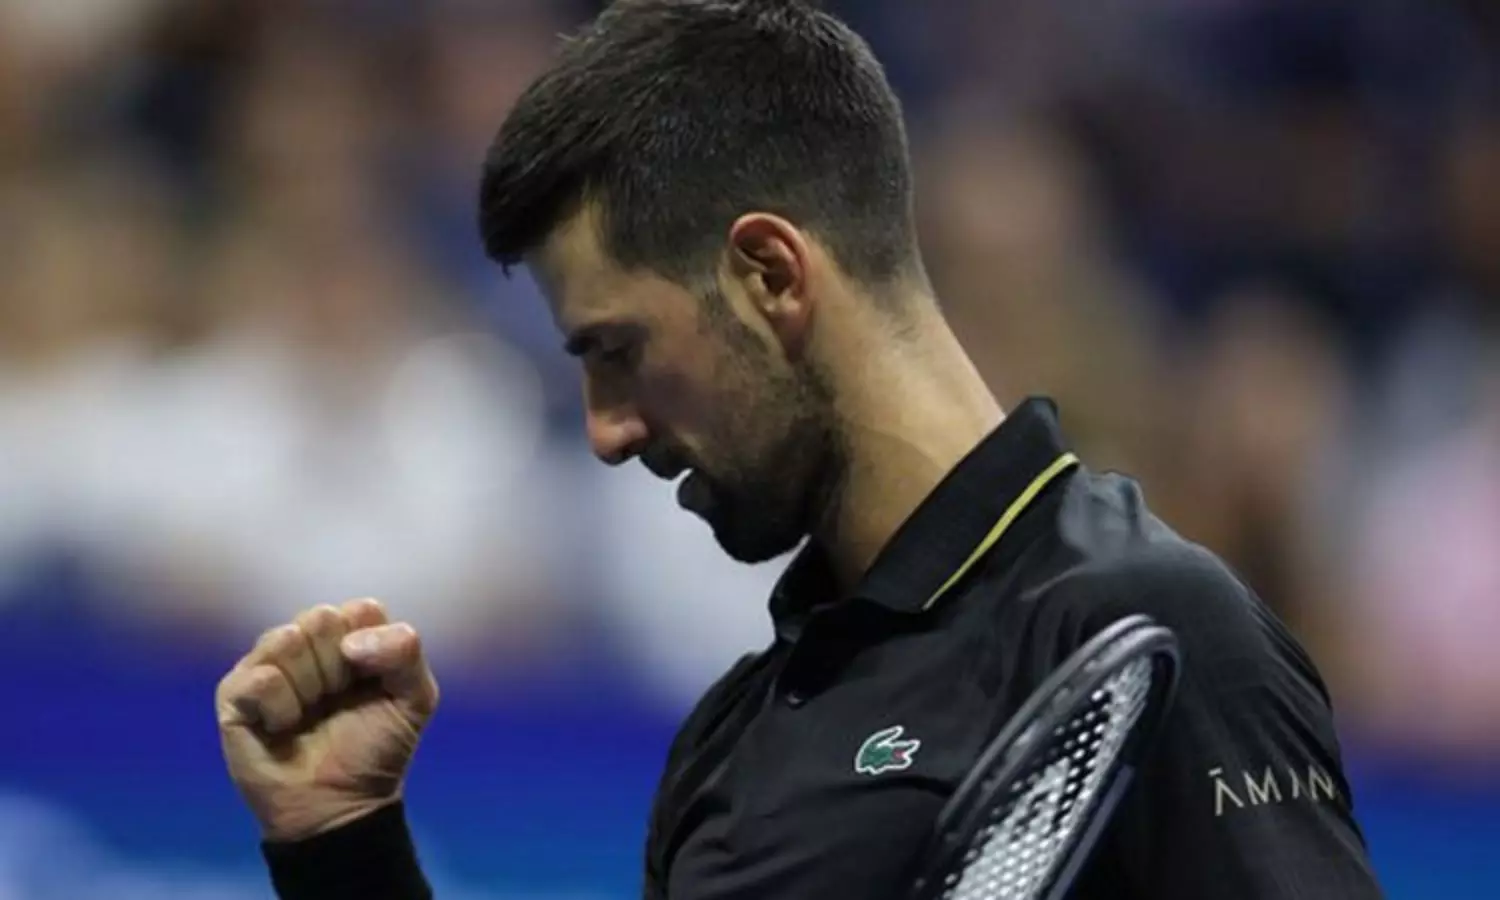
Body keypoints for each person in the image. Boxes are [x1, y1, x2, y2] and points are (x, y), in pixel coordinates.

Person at [214, 1, 1386, 897]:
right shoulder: (730, 742)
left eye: (619, 350)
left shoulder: (1153, 628)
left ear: (771, 275)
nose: (607, 431)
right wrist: (342, 845)